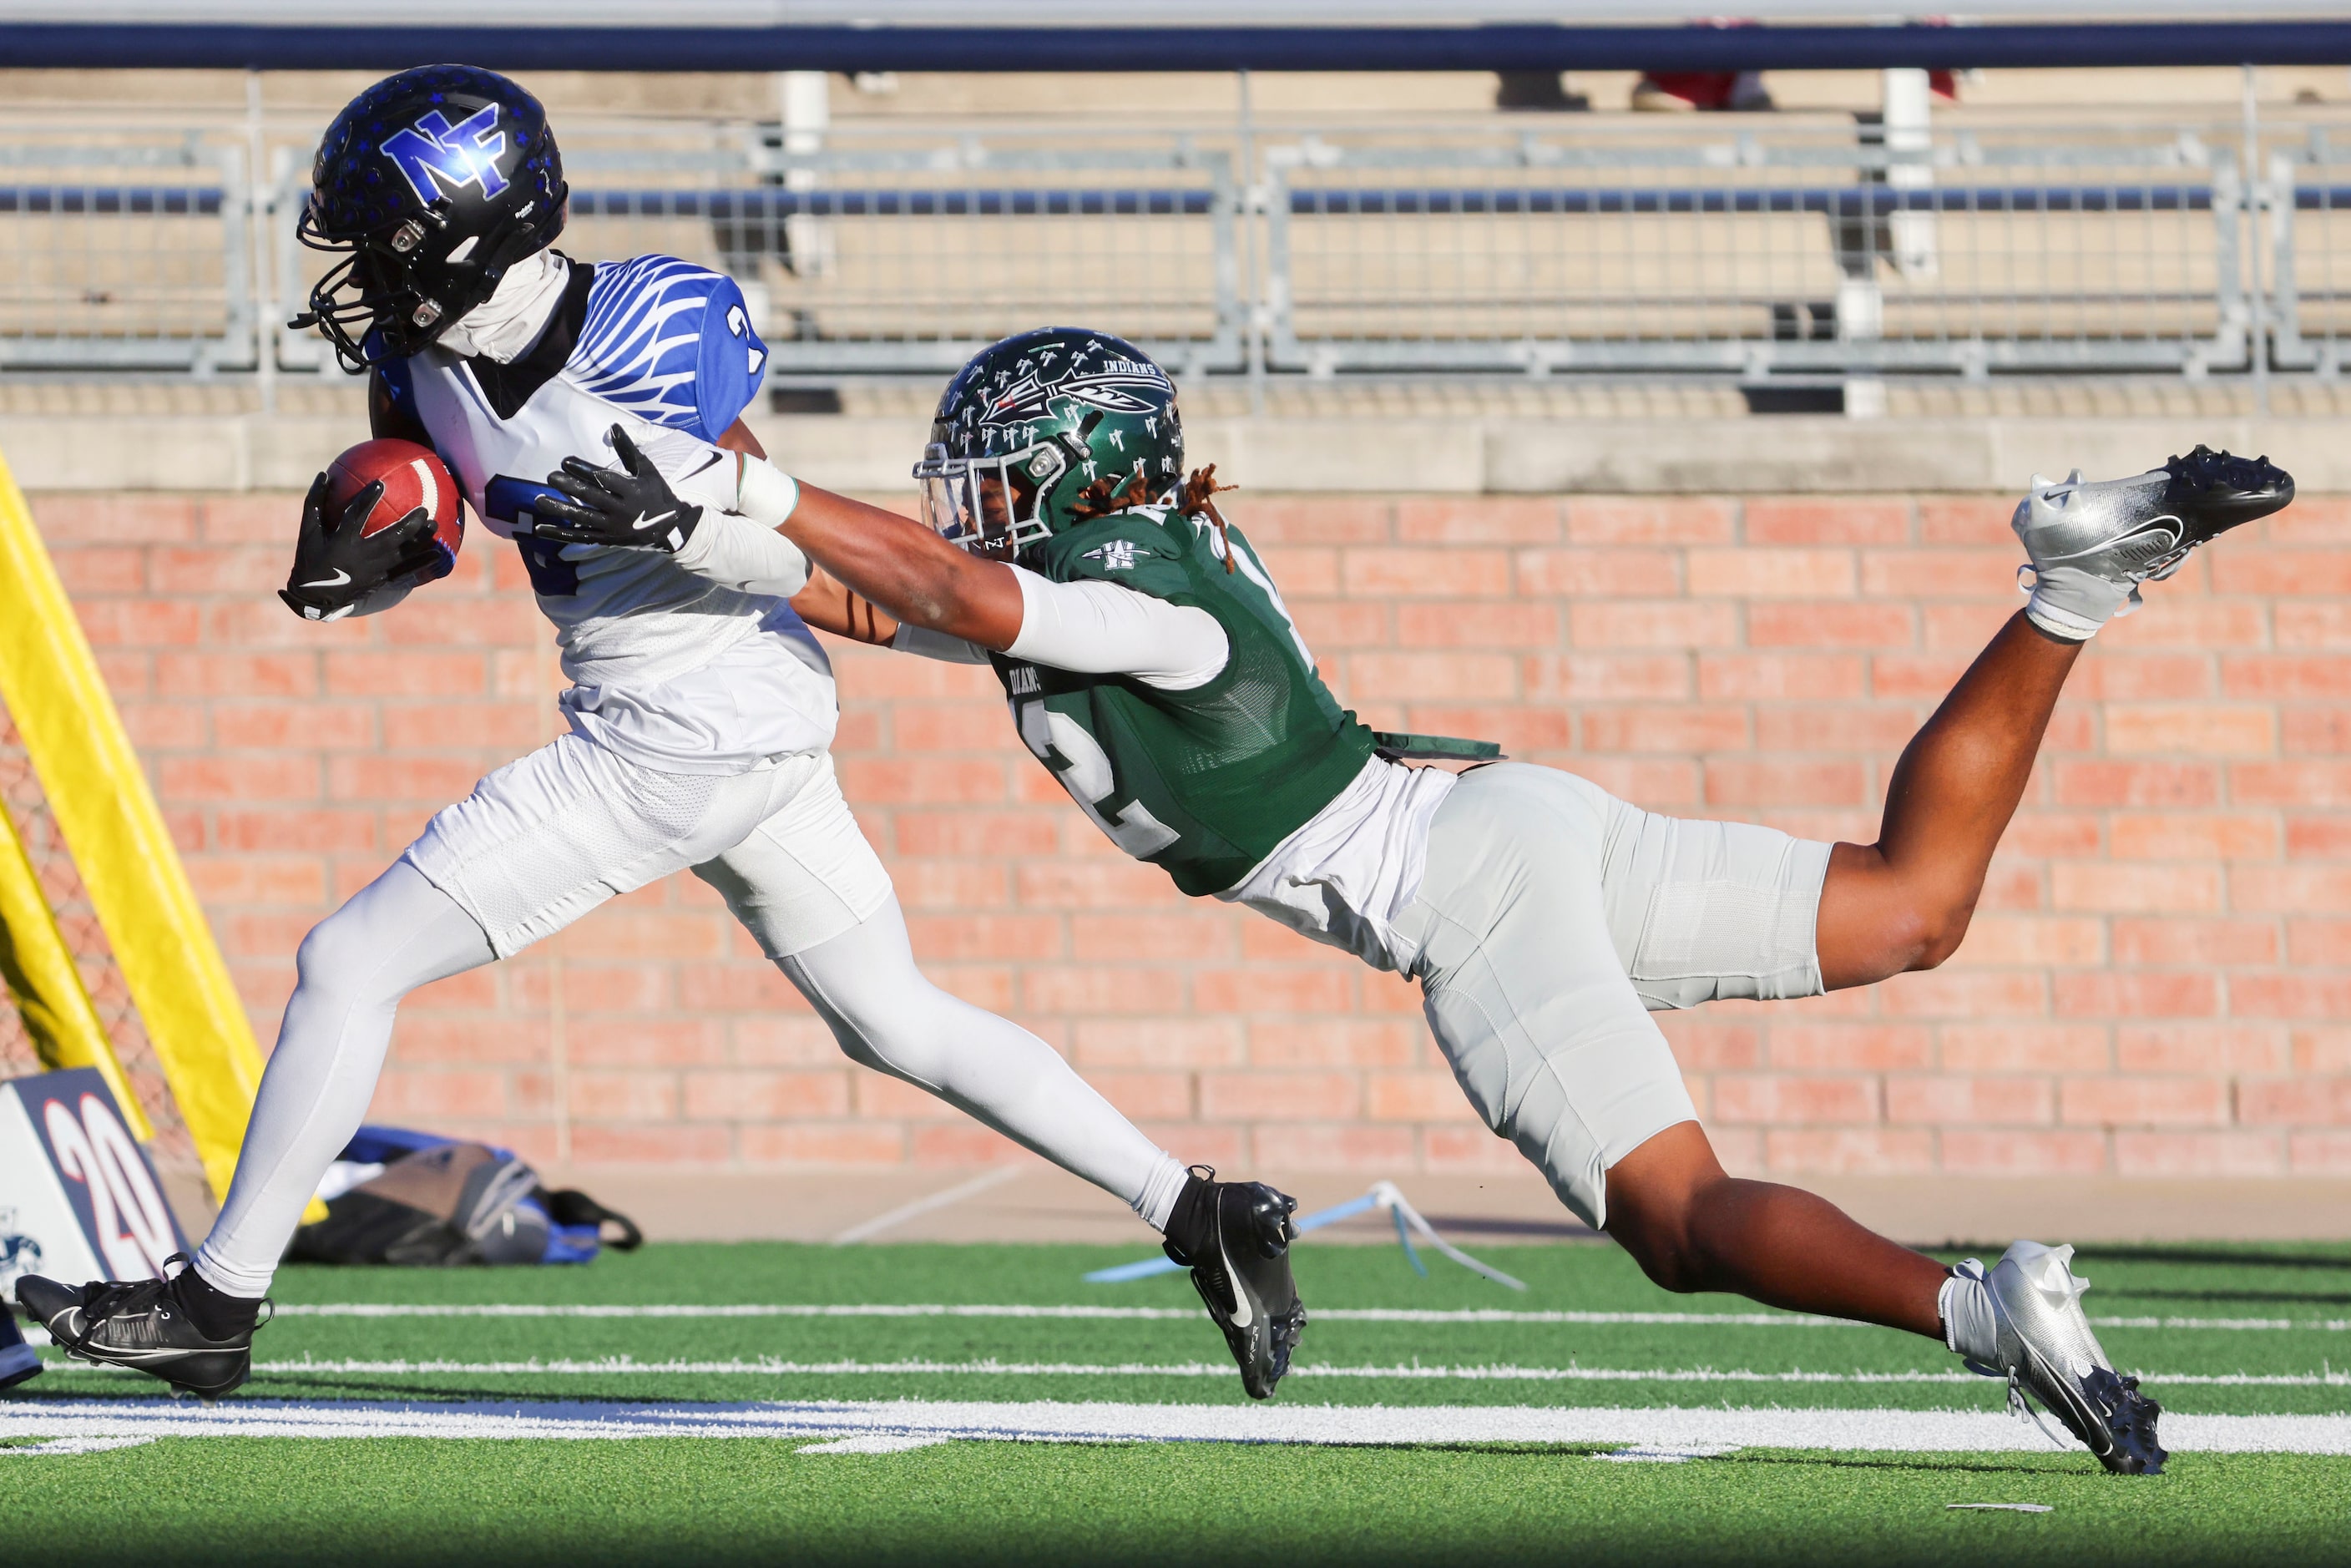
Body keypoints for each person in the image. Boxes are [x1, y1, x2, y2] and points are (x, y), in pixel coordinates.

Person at [530, 327, 2293, 1475]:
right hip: (1507, 821)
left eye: (999, 468)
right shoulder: (1099, 569)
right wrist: (688, 527)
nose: (968, 496)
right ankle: (2073, 581)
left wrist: (757, 484)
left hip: (1467, 892)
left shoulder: (1136, 601)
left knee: (1678, 1225)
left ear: (1075, 471)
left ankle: (1985, 1312)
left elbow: (952, 598)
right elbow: (880, 601)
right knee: (1909, 908)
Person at [15, 78, 1303, 1405]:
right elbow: (443, 501)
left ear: (457, 233)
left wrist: (960, 625)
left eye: (376, 243)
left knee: (348, 961)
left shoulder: (651, 330)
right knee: (896, 1019)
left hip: (679, 734)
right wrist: (374, 561)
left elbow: (777, 545)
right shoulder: (421, 361)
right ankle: (1199, 1208)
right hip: (737, 726)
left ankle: (216, 1301)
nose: (352, 275)